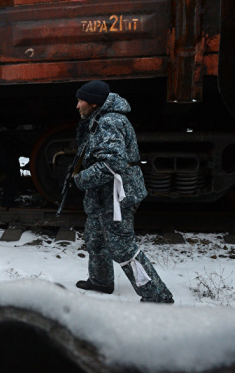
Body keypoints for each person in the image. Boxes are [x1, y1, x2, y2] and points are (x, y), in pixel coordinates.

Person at [71, 80, 174, 304]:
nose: (77, 106)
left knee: (122, 246)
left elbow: (112, 163)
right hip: (104, 194)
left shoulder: (108, 122)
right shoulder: (101, 118)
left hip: (116, 195)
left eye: (81, 101)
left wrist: (81, 179)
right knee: (95, 238)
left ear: (94, 104)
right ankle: (101, 281)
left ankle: (156, 294)